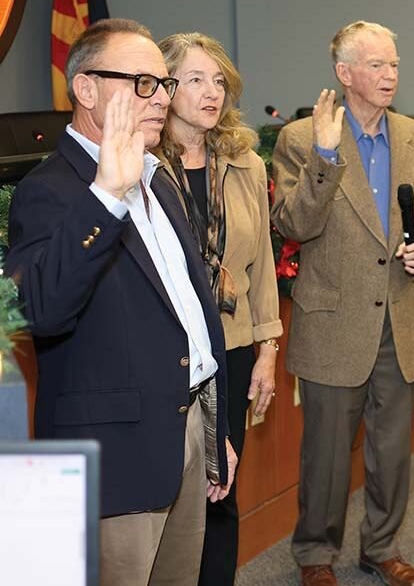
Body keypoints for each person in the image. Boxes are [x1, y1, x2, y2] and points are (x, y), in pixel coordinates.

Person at [5, 18, 236, 586]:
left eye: (162, 83)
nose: (161, 98)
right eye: (142, 83)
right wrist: (106, 195)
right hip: (117, 456)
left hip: (186, 427)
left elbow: (188, 313)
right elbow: (41, 310)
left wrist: (216, 429)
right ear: (86, 90)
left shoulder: (157, 177)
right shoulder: (50, 190)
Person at [270, 20, 414, 586]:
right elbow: (292, 222)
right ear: (345, 74)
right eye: (376, 65)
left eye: (394, 64)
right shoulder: (301, 139)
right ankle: (315, 556)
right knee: (325, 453)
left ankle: (381, 547)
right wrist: (325, 154)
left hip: (399, 312)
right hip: (332, 319)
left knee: (392, 449)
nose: (390, 74)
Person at [154, 32, 282, 586]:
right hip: (164, 357)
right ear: (164, 86)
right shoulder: (139, 165)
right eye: (197, 80)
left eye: (220, 82)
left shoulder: (245, 163)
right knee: (161, 499)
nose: (213, 93)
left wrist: (268, 349)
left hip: (228, 351)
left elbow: (262, 269)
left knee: (220, 490)